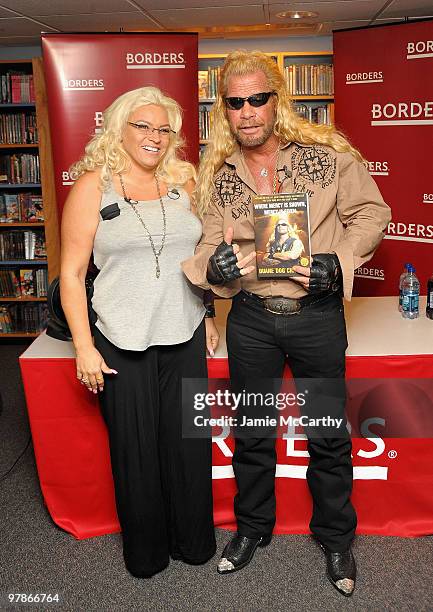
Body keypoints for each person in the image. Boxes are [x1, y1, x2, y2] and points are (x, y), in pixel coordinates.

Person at [182, 51, 391, 596]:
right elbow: (207, 248)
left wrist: (339, 261)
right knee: (253, 433)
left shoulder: (326, 154)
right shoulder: (216, 174)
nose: (248, 111)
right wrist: (214, 269)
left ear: (278, 99)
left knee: (327, 434)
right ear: (224, 110)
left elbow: (372, 213)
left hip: (317, 317)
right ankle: (252, 530)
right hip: (250, 319)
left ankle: (337, 537)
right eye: (236, 102)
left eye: (258, 98)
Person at [60, 86, 218, 578]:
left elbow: (196, 260)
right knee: (136, 451)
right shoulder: (92, 186)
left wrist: (208, 313)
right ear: (119, 128)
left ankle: (194, 543)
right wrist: (83, 346)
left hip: (184, 331)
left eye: (163, 129)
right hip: (120, 339)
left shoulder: (184, 180)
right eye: (142, 126)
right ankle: (146, 555)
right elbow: (70, 273)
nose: (154, 137)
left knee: (188, 445)